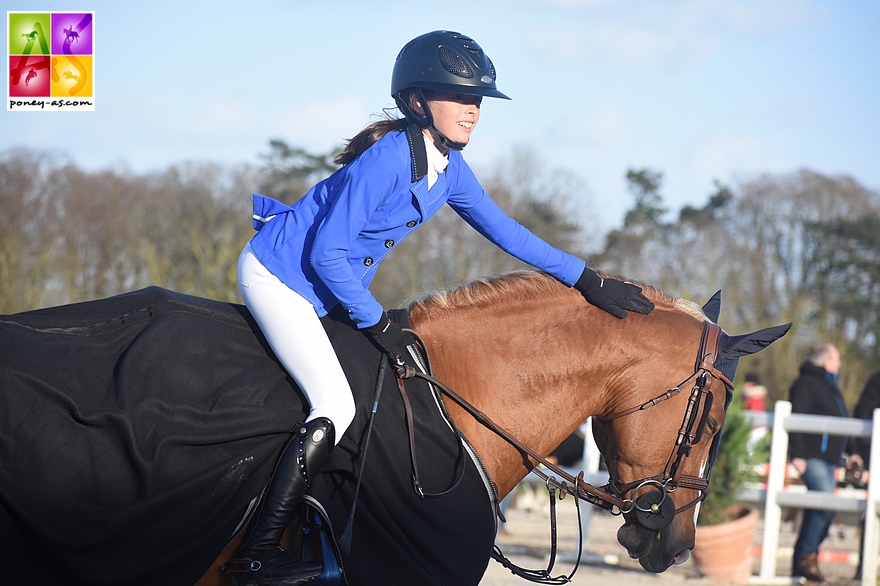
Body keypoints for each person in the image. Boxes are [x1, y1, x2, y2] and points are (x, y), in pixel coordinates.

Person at [225, 30, 655, 585]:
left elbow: (507, 231)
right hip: (279, 278)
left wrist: (588, 280)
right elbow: (327, 253)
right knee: (333, 400)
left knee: (375, 395)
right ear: (417, 102)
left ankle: (323, 525)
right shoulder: (387, 159)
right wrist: (377, 321)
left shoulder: (448, 168)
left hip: (327, 291)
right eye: (463, 99)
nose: (474, 112)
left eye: (478, 102)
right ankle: (257, 551)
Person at [788, 343, 861, 582]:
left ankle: (804, 561)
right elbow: (797, 417)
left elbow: (841, 422)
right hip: (813, 458)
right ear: (827, 362)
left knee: (818, 510)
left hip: (828, 461)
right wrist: (797, 454)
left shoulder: (831, 387)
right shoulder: (806, 384)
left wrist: (853, 452)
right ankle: (807, 557)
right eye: (837, 360)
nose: (839, 365)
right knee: (824, 507)